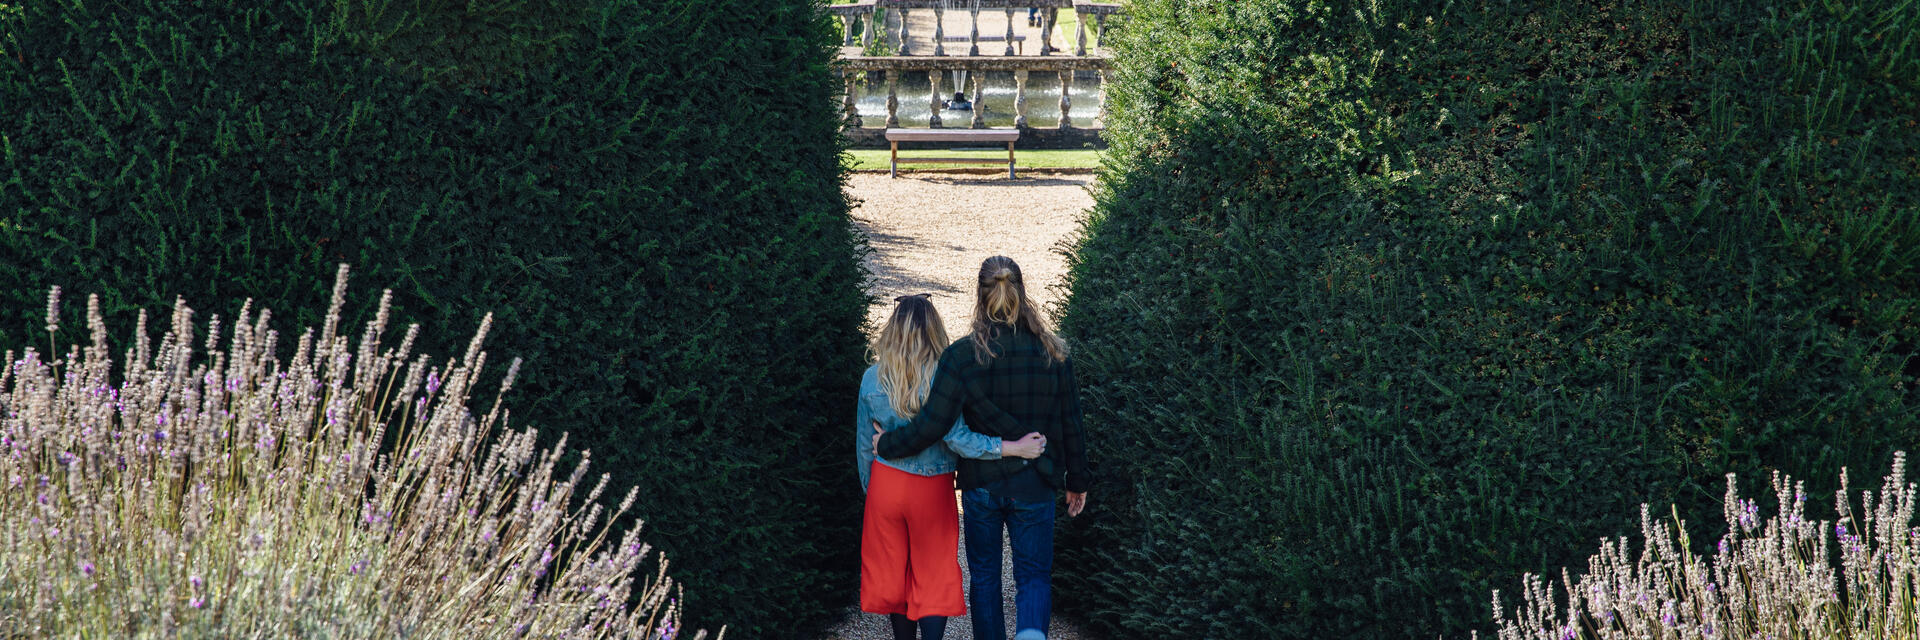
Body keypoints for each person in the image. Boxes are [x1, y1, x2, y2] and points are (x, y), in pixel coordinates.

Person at [874, 257, 1090, 640]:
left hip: (982, 487)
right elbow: (1071, 422)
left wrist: (887, 444)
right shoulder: (1054, 354)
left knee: (986, 578)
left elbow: (932, 425)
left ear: (979, 296)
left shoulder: (961, 357)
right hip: (1035, 485)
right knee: (1034, 576)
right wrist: (1077, 479)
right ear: (1022, 294)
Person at [859, 293, 1050, 640]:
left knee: (896, 573)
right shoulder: (943, 376)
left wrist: (871, 493)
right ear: (935, 330)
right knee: (934, 573)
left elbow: (863, 447)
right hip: (931, 488)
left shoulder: (872, 378)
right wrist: (1010, 448)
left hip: (885, 486)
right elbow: (959, 438)